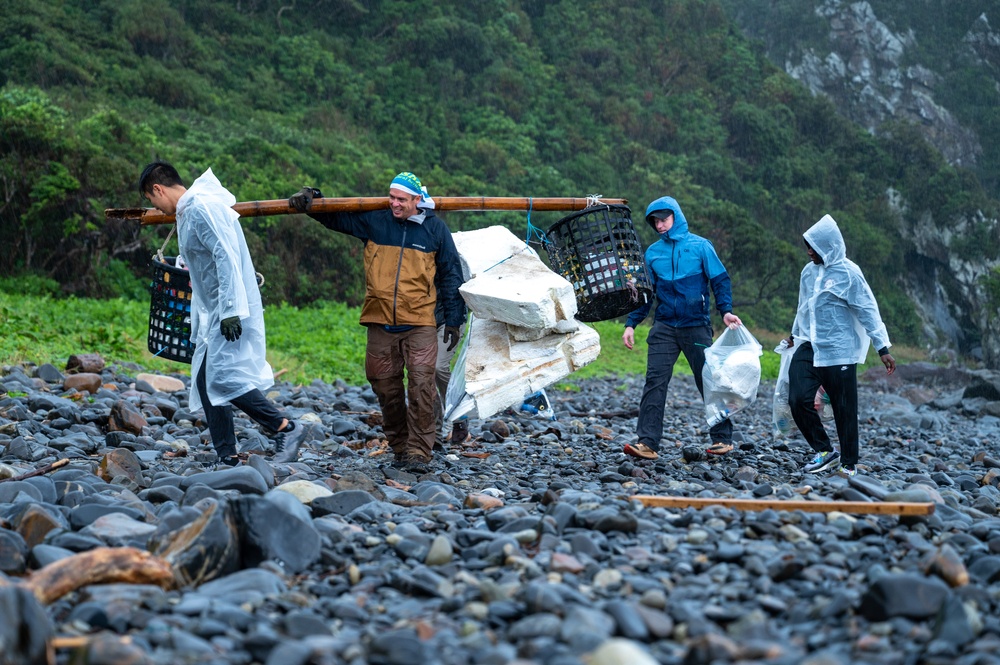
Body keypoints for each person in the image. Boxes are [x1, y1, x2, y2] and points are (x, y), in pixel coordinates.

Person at [289, 172, 465, 473]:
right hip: (379, 317)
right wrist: (314, 201)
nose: (395, 203)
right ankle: (399, 445)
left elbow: (451, 275)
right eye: (392, 197)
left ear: (417, 200)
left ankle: (420, 451)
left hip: (421, 319)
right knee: (386, 386)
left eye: (402, 199)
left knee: (422, 385)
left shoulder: (435, 230)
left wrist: (453, 319)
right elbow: (336, 220)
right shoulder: (375, 221)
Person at [139, 162, 306, 466]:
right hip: (213, 308)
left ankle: (285, 427)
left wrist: (230, 309)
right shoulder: (187, 213)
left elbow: (225, 255)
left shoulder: (201, 208)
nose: (154, 207)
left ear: (158, 189)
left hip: (228, 308)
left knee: (222, 377)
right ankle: (226, 454)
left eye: (151, 200)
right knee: (206, 379)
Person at [622, 196, 743, 460]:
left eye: (663, 219)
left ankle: (722, 438)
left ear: (676, 216)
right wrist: (631, 323)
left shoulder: (701, 247)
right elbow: (645, 294)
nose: (660, 225)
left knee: (708, 381)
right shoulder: (653, 253)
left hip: (696, 325)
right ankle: (648, 443)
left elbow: (720, 280)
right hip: (664, 326)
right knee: (655, 381)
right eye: (655, 222)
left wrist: (726, 311)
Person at [786, 214, 895, 477]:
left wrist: (882, 347)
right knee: (797, 398)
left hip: (839, 350)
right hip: (810, 344)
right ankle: (824, 450)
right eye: (808, 247)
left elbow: (868, 309)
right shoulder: (808, 272)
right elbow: (803, 307)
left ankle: (848, 463)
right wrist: (793, 335)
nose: (810, 252)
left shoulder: (849, 273)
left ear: (829, 245)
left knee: (844, 408)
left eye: (814, 247)